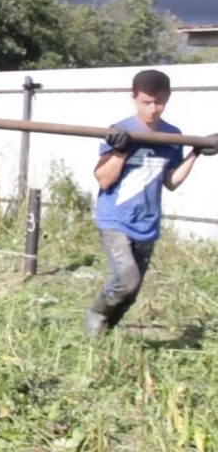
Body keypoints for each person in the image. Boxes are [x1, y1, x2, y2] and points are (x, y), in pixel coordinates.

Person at [86, 69, 216, 338]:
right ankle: (96, 315)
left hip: (148, 222)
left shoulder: (172, 135)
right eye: (146, 102)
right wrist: (120, 150)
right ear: (134, 97)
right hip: (115, 219)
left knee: (131, 293)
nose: (153, 109)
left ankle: (104, 337)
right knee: (126, 279)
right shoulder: (119, 130)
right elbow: (104, 180)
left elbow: (171, 181)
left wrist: (196, 152)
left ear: (167, 98)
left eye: (159, 102)